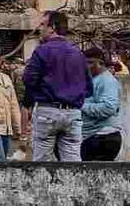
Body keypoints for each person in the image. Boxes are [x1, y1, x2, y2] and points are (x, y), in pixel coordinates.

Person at [23, 11, 93, 162]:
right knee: (73, 162)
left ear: (52, 27)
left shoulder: (42, 51)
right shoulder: (78, 53)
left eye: (43, 25)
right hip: (73, 112)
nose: (40, 28)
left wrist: (32, 100)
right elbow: (88, 88)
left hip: (47, 110)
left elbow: (29, 80)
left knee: (42, 162)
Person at [80, 47, 123, 161]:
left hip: (102, 137)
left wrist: (80, 105)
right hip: (92, 136)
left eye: (90, 63)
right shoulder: (94, 80)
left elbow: (108, 107)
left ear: (101, 63)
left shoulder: (107, 81)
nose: (86, 66)